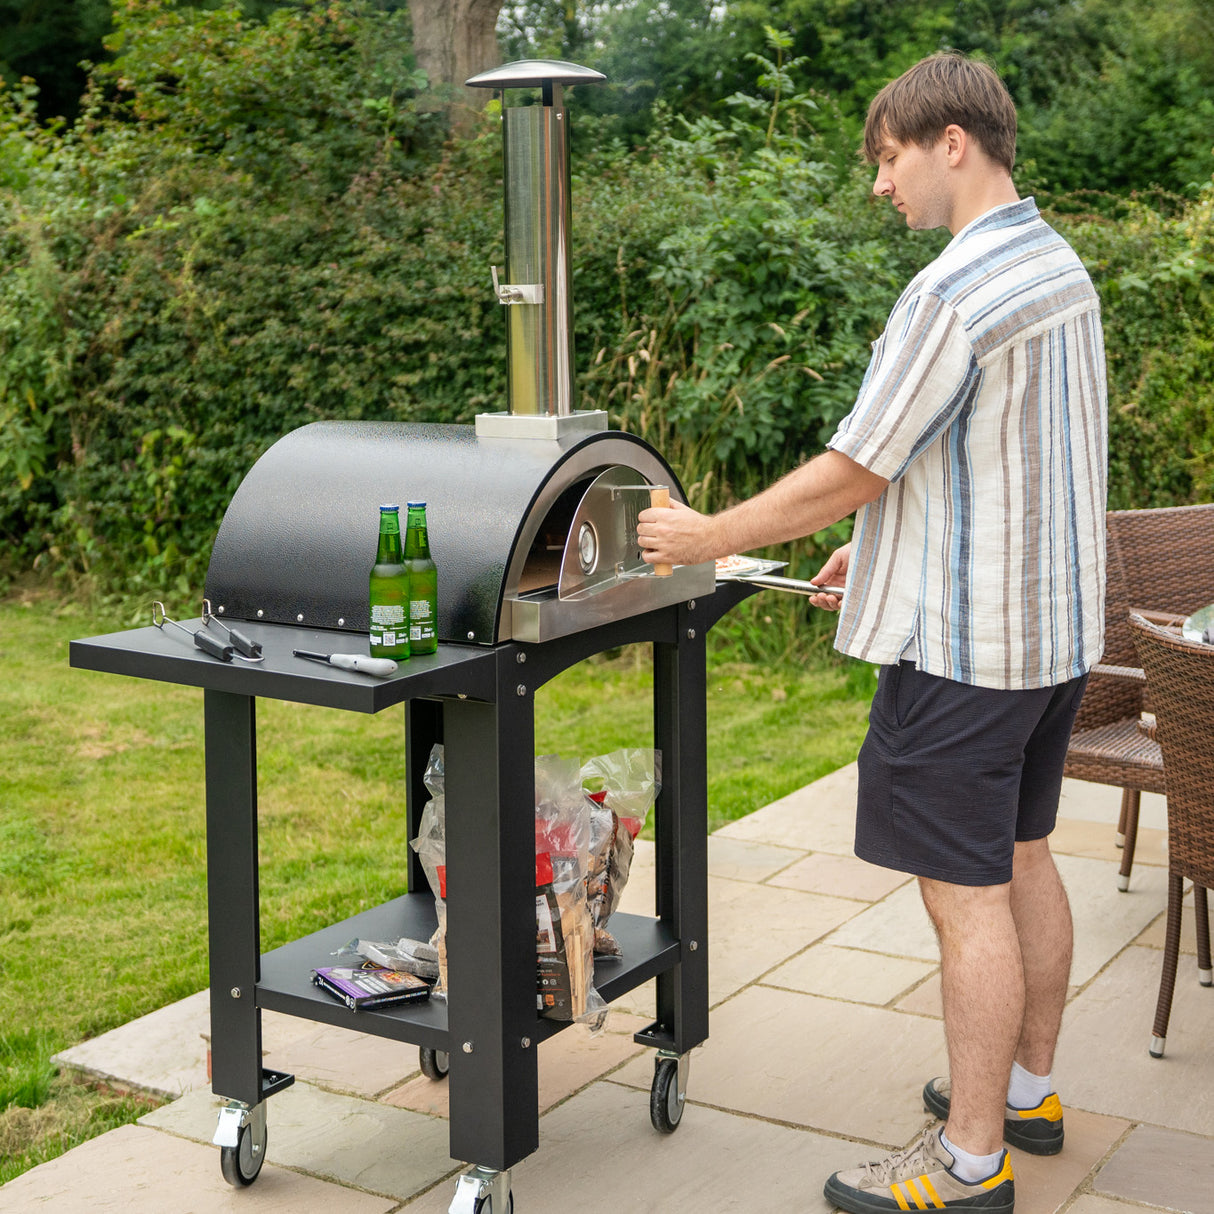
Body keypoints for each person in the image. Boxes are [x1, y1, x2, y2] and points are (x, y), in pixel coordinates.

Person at [636, 51, 1107, 1214]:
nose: (877, 186)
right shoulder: (1058, 266)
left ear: (951, 141)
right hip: (1048, 640)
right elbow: (992, 459)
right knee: (1023, 855)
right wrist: (885, 547)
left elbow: (850, 467)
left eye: (884, 158)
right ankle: (1028, 1093)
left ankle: (968, 1159)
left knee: (964, 896)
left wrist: (708, 535)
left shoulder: (949, 292)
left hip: (960, 656)